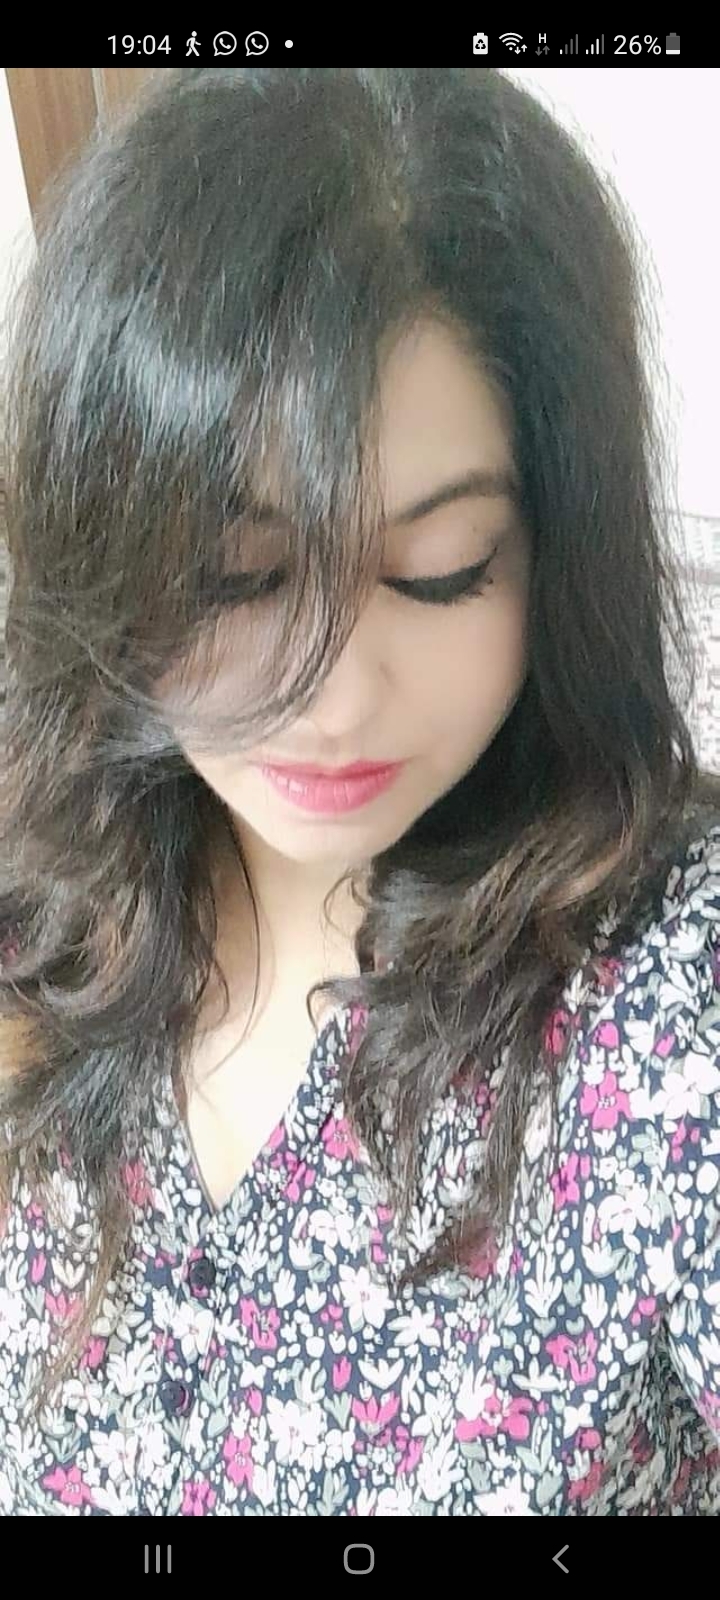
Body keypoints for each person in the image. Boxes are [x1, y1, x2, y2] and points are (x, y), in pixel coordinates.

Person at [0, 66, 718, 1519]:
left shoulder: (669, 998)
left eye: (441, 571)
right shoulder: (51, 898)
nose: (331, 699)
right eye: (235, 578)